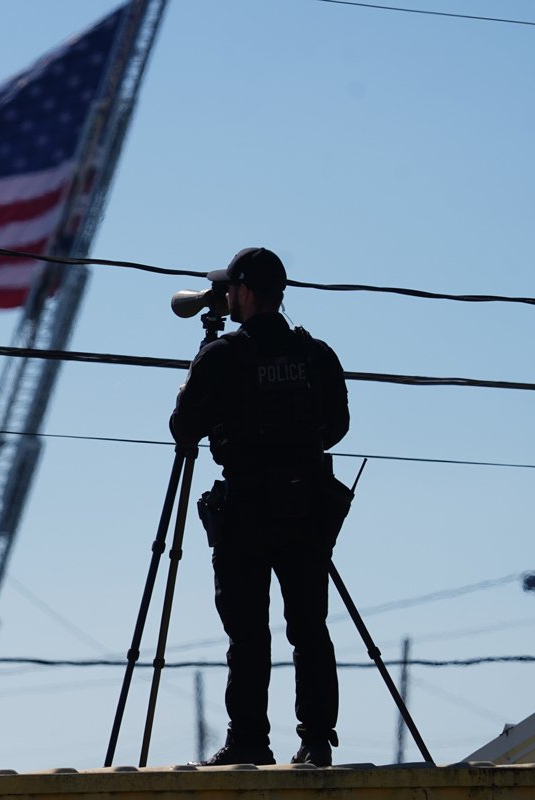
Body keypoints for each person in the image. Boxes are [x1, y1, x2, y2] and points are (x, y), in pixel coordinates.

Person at [170, 247, 349, 767]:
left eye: (230, 289)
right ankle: (316, 740)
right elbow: (337, 427)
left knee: (248, 632)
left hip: (246, 507)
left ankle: (250, 740)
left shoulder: (225, 356)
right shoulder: (317, 355)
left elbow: (183, 429)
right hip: (306, 503)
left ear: (243, 292)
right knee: (309, 625)